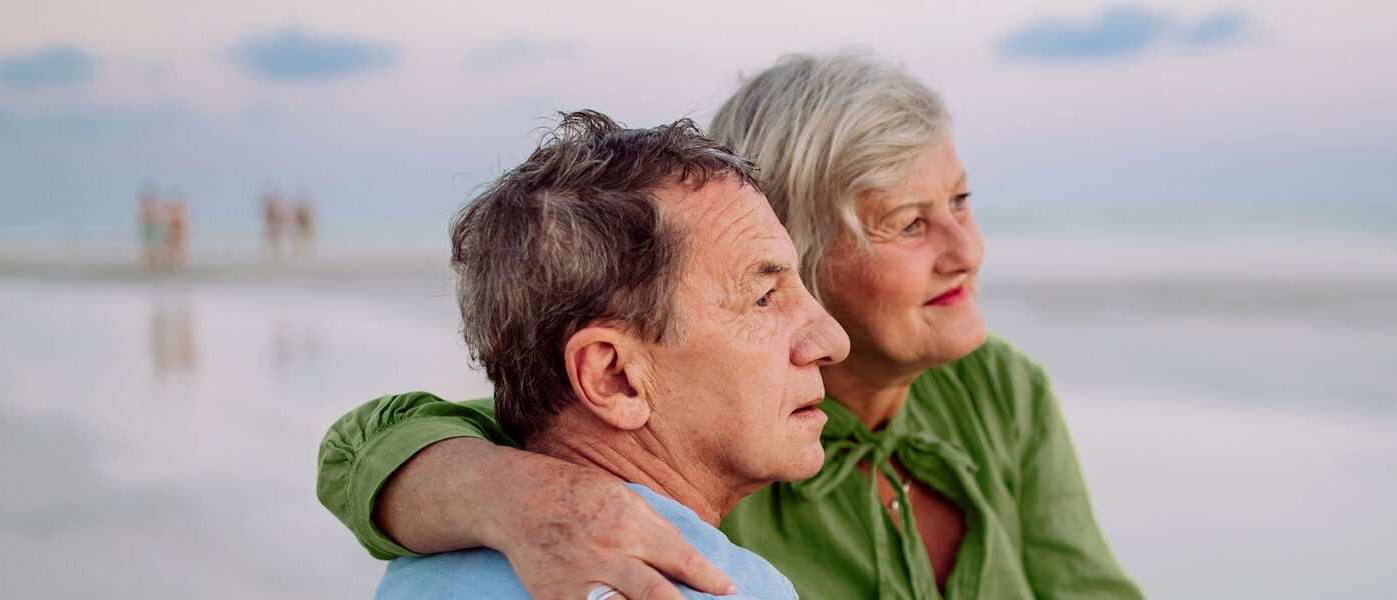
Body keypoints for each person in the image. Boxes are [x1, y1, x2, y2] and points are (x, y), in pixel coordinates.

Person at [318, 54, 1143, 600]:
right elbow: (365, 449)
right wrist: (517, 498)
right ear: (799, 247)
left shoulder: (1000, 389)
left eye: (960, 201)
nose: (969, 250)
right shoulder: (705, 428)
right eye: (908, 223)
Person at [375, 110, 847, 599]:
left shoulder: (418, 570)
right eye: (763, 298)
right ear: (614, 377)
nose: (832, 340)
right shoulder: (727, 587)